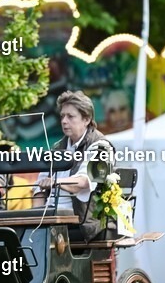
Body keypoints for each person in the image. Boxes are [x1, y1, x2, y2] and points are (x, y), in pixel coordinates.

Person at [32, 90, 114, 241]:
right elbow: (39, 187)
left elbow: (83, 182)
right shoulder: (57, 147)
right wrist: (37, 218)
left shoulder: (102, 146)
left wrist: (56, 182)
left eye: (70, 116)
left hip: (84, 223)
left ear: (86, 119)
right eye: (62, 116)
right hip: (52, 218)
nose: (64, 121)